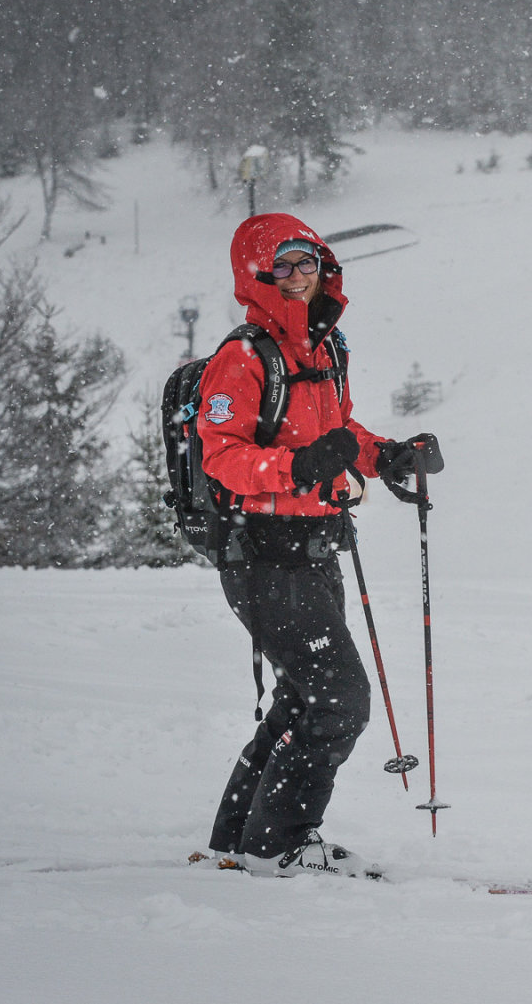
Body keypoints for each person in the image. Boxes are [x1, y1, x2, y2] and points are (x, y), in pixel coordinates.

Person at [199, 213, 436, 878]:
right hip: (264, 557)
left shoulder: (326, 348)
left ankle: (237, 839)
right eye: (284, 266)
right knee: (338, 697)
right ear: (258, 275)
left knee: (306, 698)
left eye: (308, 263)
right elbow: (222, 458)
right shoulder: (241, 359)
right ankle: (278, 845)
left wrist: (383, 454)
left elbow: (337, 428)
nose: (299, 277)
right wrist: (298, 468)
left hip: (317, 545)